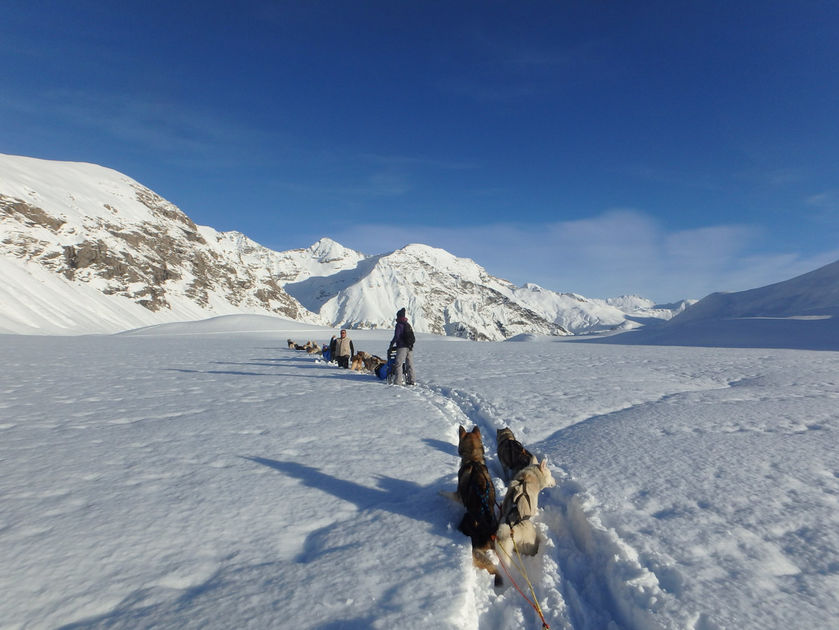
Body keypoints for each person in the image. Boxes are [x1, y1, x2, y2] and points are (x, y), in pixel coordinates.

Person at [389, 307, 415, 385]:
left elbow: (397, 336)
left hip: (402, 347)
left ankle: (398, 382)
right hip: (410, 347)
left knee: (398, 364)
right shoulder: (407, 324)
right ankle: (411, 380)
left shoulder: (399, 325)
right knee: (409, 364)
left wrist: (392, 343)